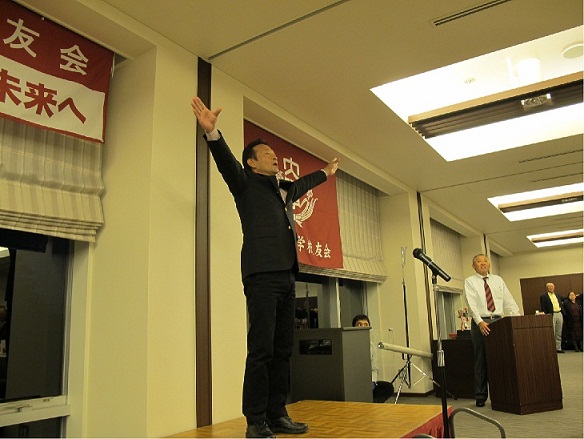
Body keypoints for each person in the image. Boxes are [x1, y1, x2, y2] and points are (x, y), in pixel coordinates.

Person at [191, 96, 339, 438]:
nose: (274, 156)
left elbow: (304, 184)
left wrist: (326, 173)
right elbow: (226, 162)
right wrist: (212, 133)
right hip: (261, 276)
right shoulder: (244, 183)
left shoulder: (282, 191)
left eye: (275, 153)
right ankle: (255, 421)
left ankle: (277, 414)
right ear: (252, 163)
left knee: (283, 349)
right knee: (261, 350)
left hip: (287, 275)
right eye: (267, 153)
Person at [463, 254, 520, 408]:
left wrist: (517, 318)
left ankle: (503, 393)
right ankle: (480, 396)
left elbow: (508, 300)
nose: (483, 263)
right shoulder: (470, 281)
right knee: (481, 359)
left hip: (499, 322)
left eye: (485, 261)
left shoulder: (498, 280)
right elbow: (471, 303)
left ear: (489, 264)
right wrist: (479, 322)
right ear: (473, 266)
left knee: (502, 358)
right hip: (481, 322)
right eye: (479, 262)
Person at [352, 314, 393, 403]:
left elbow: (374, 369)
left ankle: (370, 405)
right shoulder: (349, 344)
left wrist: (372, 382)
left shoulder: (371, 346)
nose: (363, 327)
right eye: (359, 324)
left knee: (387, 387)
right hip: (353, 382)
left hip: (367, 381)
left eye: (366, 325)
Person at [539, 283, 566, 353]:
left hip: (559, 313)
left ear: (554, 287)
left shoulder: (557, 295)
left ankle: (558, 348)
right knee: (552, 332)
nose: (551, 288)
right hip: (551, 315)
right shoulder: (544, 296)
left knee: (559, 332)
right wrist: (546, 315)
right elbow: (543, 307)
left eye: (552, 286)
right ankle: (551, 349)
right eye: (549, 287)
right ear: (547, 288)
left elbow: (565, 299)